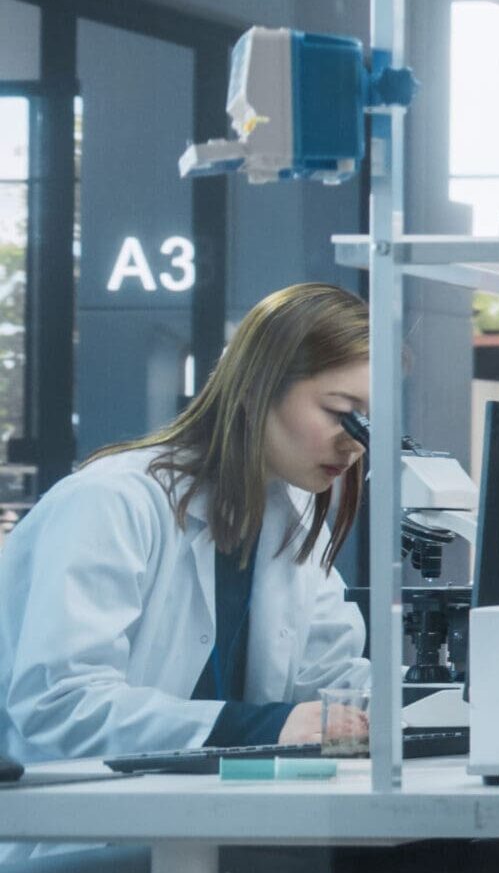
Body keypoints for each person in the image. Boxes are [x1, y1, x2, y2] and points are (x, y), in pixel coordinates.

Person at [0, 282, 376, 783]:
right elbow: (61, 705)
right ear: (254, 389)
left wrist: (449, 699)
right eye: (339, 411)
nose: (355, 442)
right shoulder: (113, 502)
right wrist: (257, 727)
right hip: (85, 830)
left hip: (218, 821)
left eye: (369, 420)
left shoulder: (293, 512)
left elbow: (328, 680)